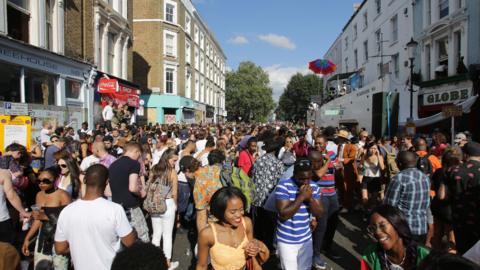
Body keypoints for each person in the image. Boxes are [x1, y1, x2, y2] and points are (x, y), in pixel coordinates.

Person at [54, 164, 136, 270]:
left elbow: (59, 248)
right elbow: (130, 242)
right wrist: (133, 232)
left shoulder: (66, 212)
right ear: (107, 182)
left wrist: (80, 247)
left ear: (84, 180)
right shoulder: (115, 210)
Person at [197, 187, 270, 270]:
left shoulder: (246, 223)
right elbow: (201, 266)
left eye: (241, 209)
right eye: (233, 212)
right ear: (220, 211)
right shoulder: (207, 234)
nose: (239, 215)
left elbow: (250, 251)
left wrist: (254, 249)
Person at [276, 158, 324, 270]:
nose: (305, 182)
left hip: (306, 239)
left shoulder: (314, 187)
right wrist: (301, 197)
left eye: (308, 178)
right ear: (294, 174)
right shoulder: (283, 186)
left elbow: (320, 213)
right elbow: (283, 214)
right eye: (301, 178)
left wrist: (310, 198)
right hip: (286, 240)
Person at [22, 168, 71, 269]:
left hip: (59, 239)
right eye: (38, 181)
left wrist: (46, 217)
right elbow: (37, 219)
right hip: (42, 239)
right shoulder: (39, 195)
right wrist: (27, 238)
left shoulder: (63, 195)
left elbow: (70, 221)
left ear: (55, 180)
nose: (41, 184)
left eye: (46, 181)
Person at [361, 205, 430, 270]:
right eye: (372, 228)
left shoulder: (424, 255)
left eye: (382, 225)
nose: (377, 232)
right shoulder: (370, 255)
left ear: (397, 225)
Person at [384, 151, 430, 244]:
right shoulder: (424, 177)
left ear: (399, 163)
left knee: (404, 257)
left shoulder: (398, 178)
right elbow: (427, 203)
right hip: (422, 227)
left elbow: (389, 207)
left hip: (404, 229)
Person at [108, 142, 149, 242]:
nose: (139, 157)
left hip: (116, 206)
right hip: (131, 207)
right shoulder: (134, 164)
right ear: (136, 152)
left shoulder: (113, 164)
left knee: (122, 237)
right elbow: (132, 187)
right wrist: (141, 193)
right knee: (141, 234)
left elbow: (108, 191)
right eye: (139, 155)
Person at [311, 136, 341, 268]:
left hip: (332, 193)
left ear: (326, 144)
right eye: (316, 143)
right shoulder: (312, 156)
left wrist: (338, 165)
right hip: (320, 195)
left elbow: (338, 166)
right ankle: (315, 255)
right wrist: (328, 161)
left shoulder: (332, 154)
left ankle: (327, 247)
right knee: (321, 226)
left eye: (320, 143)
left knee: (333, 222)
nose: (318, 145)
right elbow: (317, 175)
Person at [251, 138, 285, 252]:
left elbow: (253, 179)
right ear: (276, 150)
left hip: (256, 200)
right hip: (270, 202)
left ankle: (256, 249)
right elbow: (280, 183)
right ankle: (267, 249)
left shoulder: (257, 161)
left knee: (257, 227)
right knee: (269, 228)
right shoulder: (278, 164)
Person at [148, 148, 179, 270]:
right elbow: (175, 193)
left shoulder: (154, 169)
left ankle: (153, 261)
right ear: (167, 158)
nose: (175, 163)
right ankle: (167, 263)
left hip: (154, 203)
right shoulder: (172, 172)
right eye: (174, 160)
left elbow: (149, 185)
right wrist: (176, 208)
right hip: (168, 203)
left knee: (156, 234)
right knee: (167, 235)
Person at [449, 142, 480, 254]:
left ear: (465, 155)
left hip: (460, 218)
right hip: (477, 218)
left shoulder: (455, 171)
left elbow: (446, 195)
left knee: (463, 252)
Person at [193, 149, 225, 232]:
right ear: (223, 160)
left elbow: (201, 213)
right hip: (232, 223)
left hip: (213, 225)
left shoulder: (202, 175)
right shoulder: (231, 172)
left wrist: (202, 236)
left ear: (208, 160)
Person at [0, 168, 30, 244]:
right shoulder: (3, 173)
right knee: (6, 251)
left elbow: (11, 196)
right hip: (2, 220)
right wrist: (23, 212)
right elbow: (11, 196)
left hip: (2, 219)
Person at [336, 129, 358, 212]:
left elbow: (352, 158)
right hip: (339, 169)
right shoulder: (339, 146)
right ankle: (343, 203)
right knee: (340, 186)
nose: (338, 138)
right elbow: (338, 156)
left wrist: (341, 160)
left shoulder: (351, 146)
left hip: (348, 170)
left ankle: (348, 206)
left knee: (347, 188)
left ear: (344, 139)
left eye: (340, 137)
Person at [360, 142, 385, 210]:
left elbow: (382, 168)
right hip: (365, 178)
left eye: (375, 148)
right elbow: (362, 168)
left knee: (373, 200)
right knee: (364, 198)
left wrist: (378, 156)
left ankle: (371, 213)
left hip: (375, 179)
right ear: (368, 148)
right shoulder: (365, 156)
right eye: (372, 148)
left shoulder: (379, 156)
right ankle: (365, 213)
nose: (373, 150)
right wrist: (360, 175)